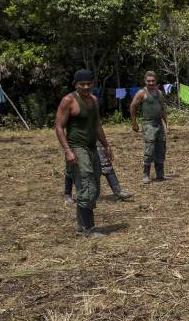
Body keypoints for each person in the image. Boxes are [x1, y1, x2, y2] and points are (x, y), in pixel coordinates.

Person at [55, 69, 112, 238]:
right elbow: (59, 127)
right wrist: (68, 151)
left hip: (92, 147)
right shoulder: (69, 100)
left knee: (94, 184)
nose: (86, 87)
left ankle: (81, 224)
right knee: (86, 185)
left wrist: (107, 146)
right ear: (76, 85)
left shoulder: (94, 100)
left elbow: (97, 125)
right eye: (82, 84)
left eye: (89, 84)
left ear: (93, 84)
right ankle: (89, 229)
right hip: (77, 148)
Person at [130, 71, 169, 183]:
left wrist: (167, 124)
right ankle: (146, 175)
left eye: (153, 81)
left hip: (159, 123)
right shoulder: (142, 93)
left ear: (156, 81)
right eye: (148, 81)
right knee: (150, 148)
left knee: (161, 147)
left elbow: (162, 109)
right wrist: (134, 122)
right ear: (145, 81)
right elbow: (133, 106)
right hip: (148, 124)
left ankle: (160, 174)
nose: (151, 83)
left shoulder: (159, 93)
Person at [63, 141, 132, 204]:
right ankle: (67, 194)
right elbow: (59, 128)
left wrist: (106, 146)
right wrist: (67, 149)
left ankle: (117, 191)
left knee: (106, 163)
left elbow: (98, 128)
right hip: (76, 142)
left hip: (94, 138)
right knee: (72, 167)